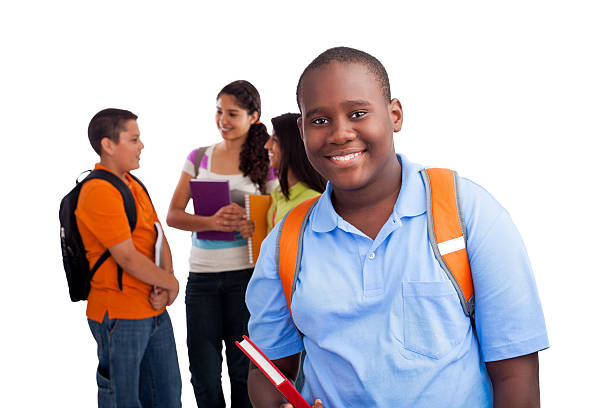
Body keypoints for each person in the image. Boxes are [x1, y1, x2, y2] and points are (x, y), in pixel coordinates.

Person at [245, 47, 549, 407]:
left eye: (358, 113)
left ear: (395, 115)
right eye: (320, 120)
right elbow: (267, 369)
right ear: (302, 129)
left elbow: (516, 374)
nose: (340, 133)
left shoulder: (468, 213)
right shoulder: (286, 242)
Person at [166, 80, 276, 408]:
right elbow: (173, 215)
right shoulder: (198, 157)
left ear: (254, 116)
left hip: (246, 278)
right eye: (218, 111)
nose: (223, 120)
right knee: (203, 370)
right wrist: (211, 223)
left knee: (244, 370)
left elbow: (278, 221)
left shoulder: (266, 162)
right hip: (201, 279)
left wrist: (252, 225)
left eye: (232, 113)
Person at [76, 108, 181, 407]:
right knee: (124, 400)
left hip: (153, 311)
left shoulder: (134, 185)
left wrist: (162, 288)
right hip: (119, 316)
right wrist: (172, 284)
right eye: (134, 139)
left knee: (168, 397)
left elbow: (157, 237)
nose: (141, 146)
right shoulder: (98, 191)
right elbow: (127, 257)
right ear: (108, 145)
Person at [264, 113, 326, 232]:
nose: (267, 145)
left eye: (275, 140)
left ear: (292, 146)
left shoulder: (311, 201)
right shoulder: (280, 194)